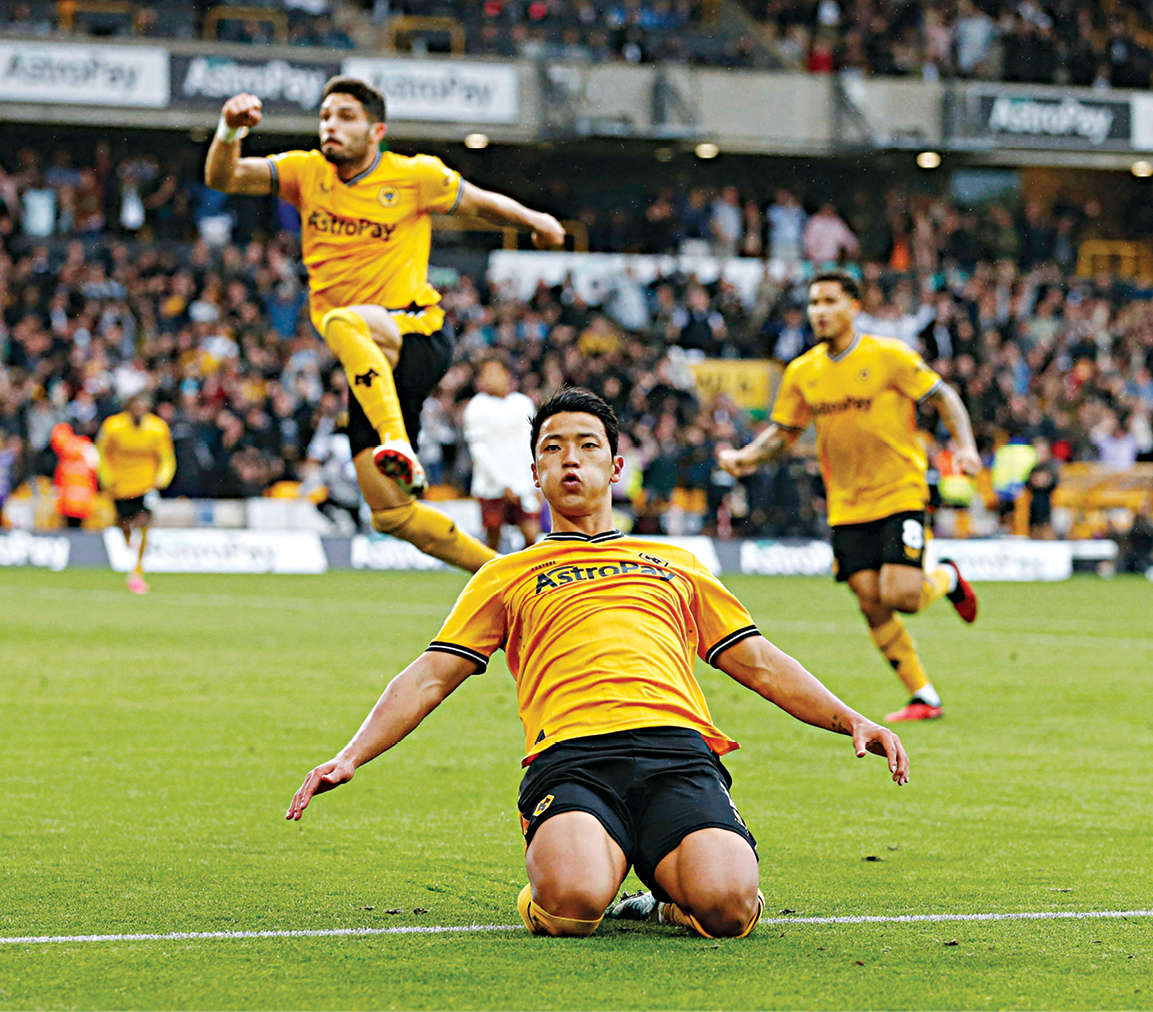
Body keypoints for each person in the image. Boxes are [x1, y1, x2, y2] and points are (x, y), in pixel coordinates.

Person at [287, 388, 909, 940]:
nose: (570, 460)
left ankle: (665, 902)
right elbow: (430, 675)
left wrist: (849, 719)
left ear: (614, 467)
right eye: (553, 448)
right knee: (572, 907)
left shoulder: (676, 563)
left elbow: (759, 662)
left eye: (587, 446)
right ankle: (568, 877)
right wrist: (352, 755)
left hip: (677, 754)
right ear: (535, 473)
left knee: (729, 909)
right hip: (572, 759)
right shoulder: (504, 575)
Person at [204, 76, 565, 574]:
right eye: (325, 116)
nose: (330, 126)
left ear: (377, 131)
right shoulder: (305, 172)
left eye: (345, 117)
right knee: (392, 514)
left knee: (343, 320)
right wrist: (229, 130)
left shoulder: (414, 175)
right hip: (368, 363)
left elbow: (480, 203)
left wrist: (538, 221)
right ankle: (510, 578)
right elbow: (224, 178)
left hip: (415, 332)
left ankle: (396, 441)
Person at [719, 270, 981, 723]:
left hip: (899, 490)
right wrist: (747, 457)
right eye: (813, 303)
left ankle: (948, 578)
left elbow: (944, 398)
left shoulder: (889, 356)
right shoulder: (803, 372)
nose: (818, 311)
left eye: (829, 301)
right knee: (869, 599)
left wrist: (966, 447)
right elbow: (784, 432)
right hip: (846, 504)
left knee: (902, 595)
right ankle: (924, 696)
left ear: (854, 306)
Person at [96, 394, 176, 594]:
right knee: (123, 523)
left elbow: (166, 457)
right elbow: (102, 453)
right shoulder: (113, 426)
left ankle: (138, 569)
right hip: (121, 485)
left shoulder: (157, 428)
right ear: (129, 407)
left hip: (146, 485)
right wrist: (106, 477)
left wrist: (162, 478)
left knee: (144, 521)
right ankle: (129, 550)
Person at [462, 357, 540, 551]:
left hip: (523, 483)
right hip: (491, 485)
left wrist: (535, 482)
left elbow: (531, 445)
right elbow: (479, 451)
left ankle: (524, 568)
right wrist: (503, 483)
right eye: (486, 374)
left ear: (507, 375)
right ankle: (493, 569)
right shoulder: (476, 407)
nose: (490, 379)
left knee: (531, 535)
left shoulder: (523, 404)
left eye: (494, 373)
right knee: (493, 539)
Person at [50, 422, 99, 529]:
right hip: (83, 498)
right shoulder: (86, 447)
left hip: (67, 499)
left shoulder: (64, 455)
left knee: (69, 527)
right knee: (78, 528)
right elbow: (95, 468)